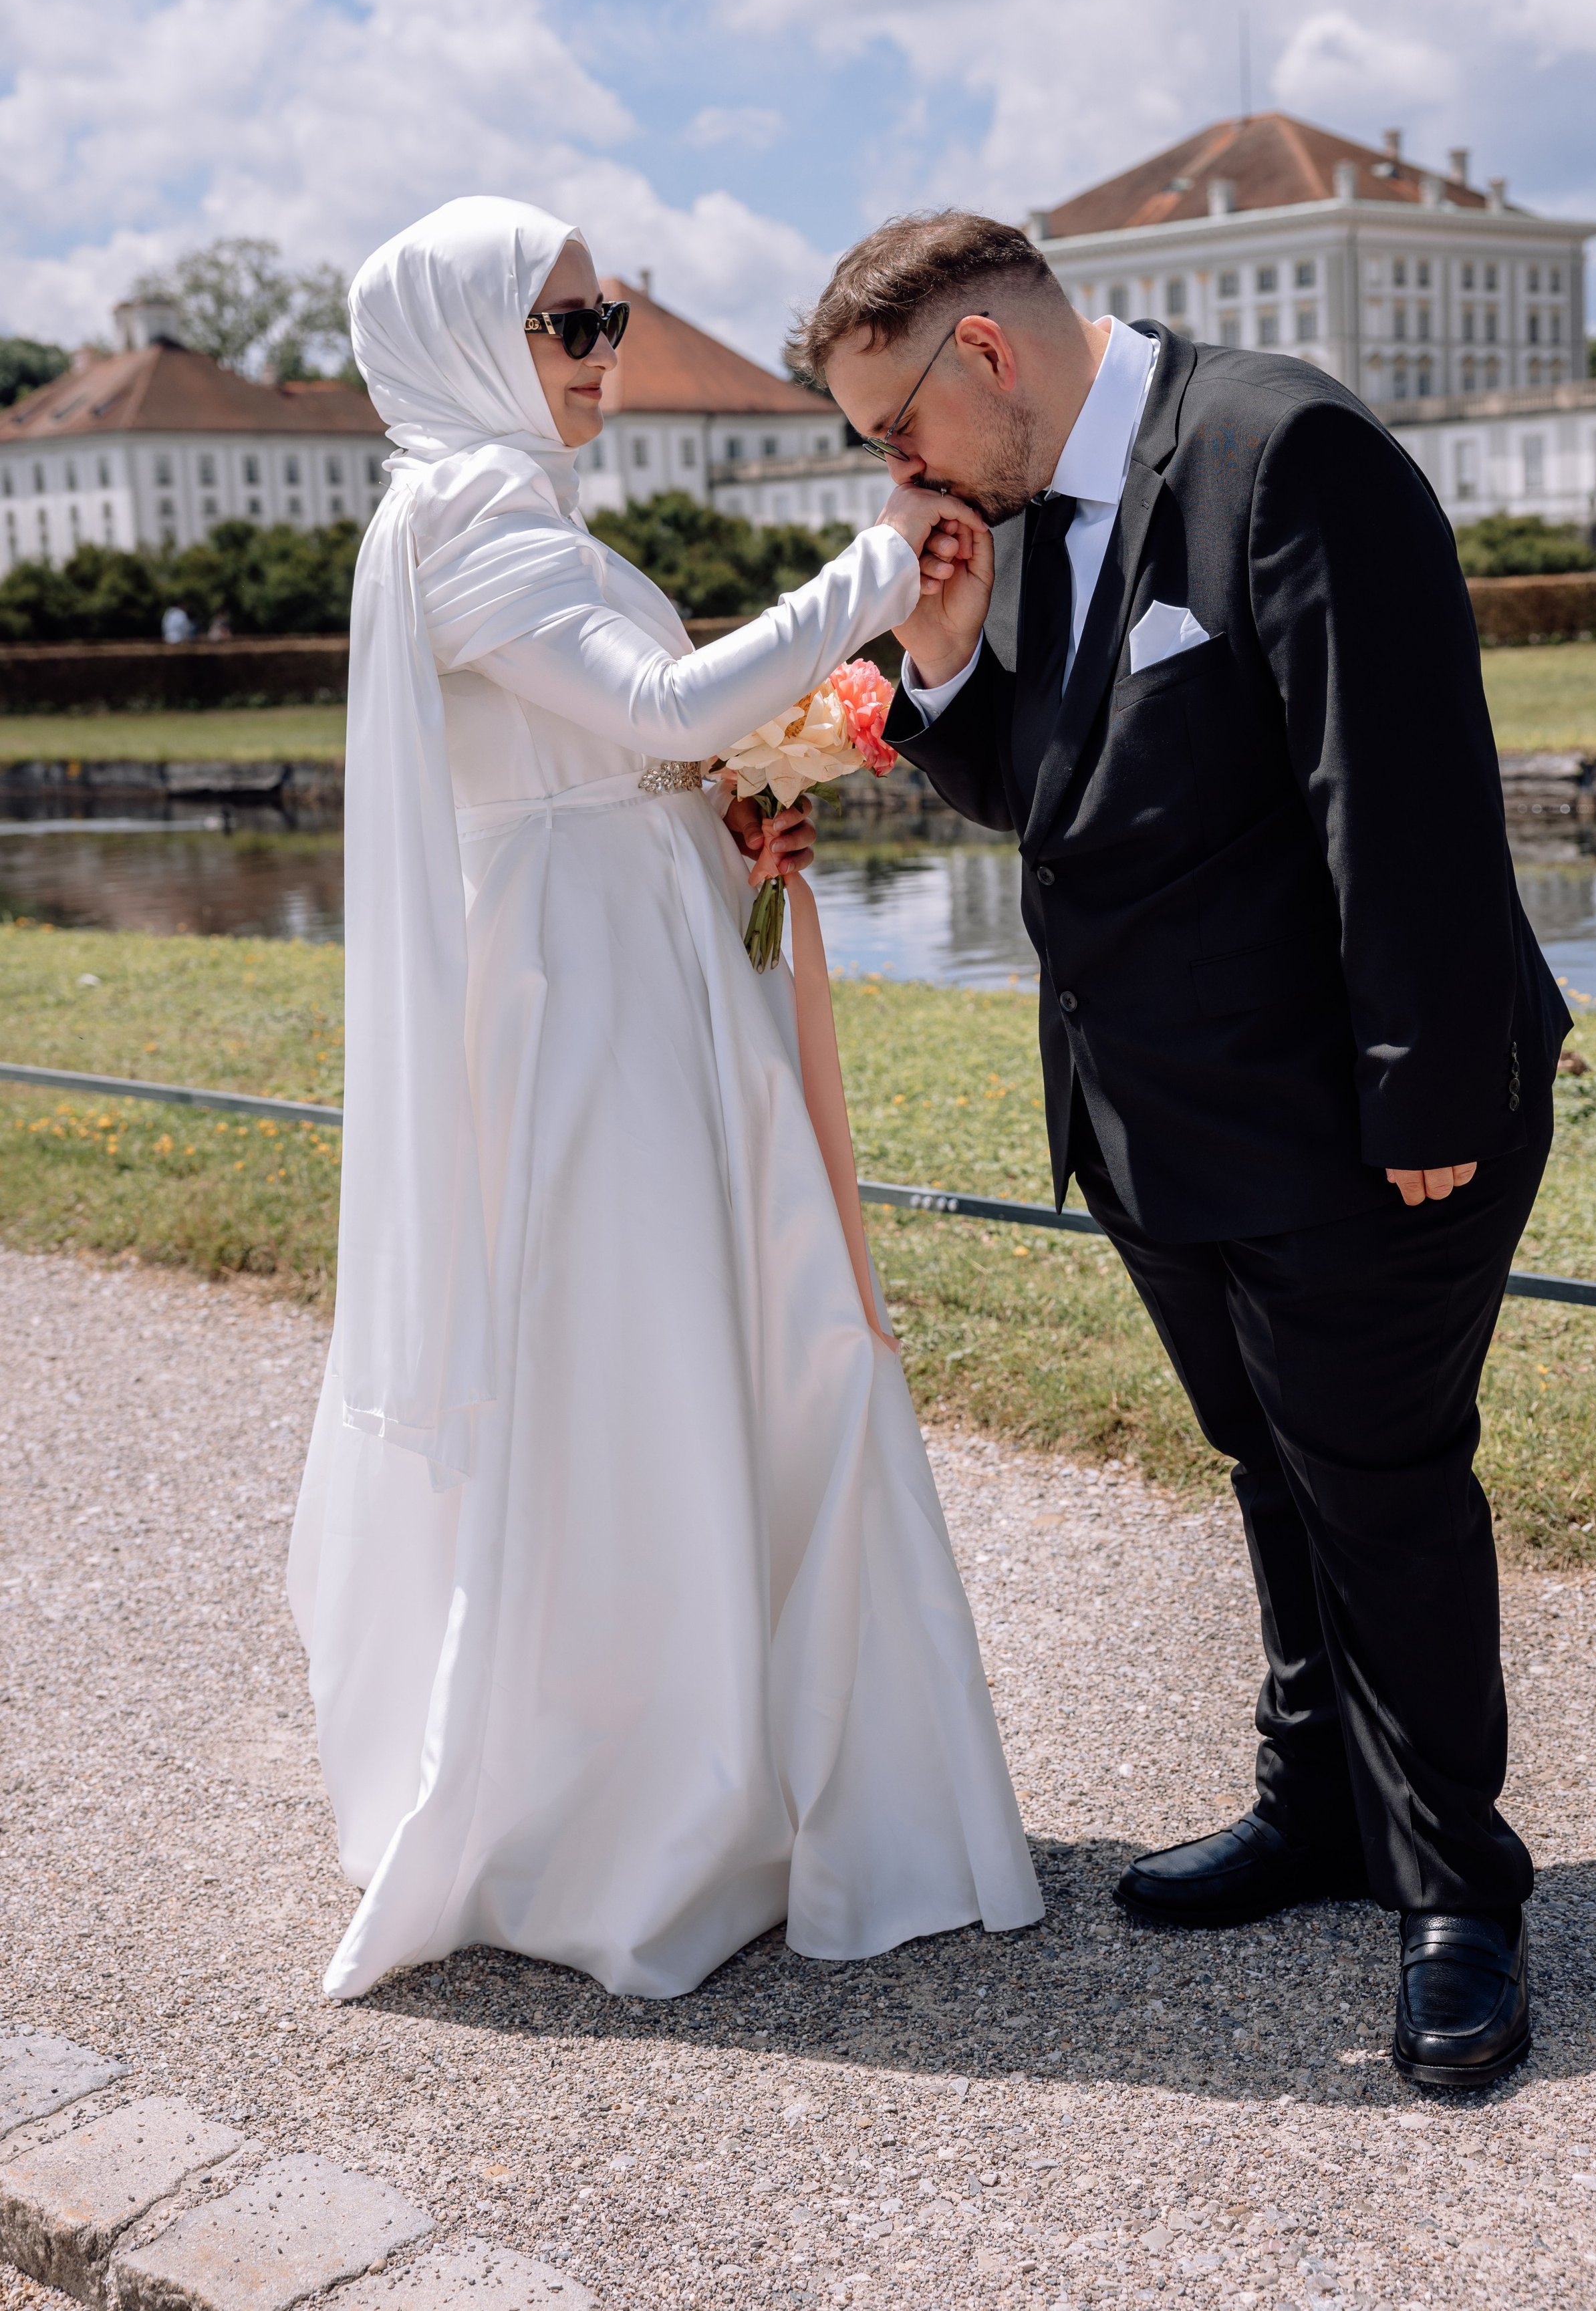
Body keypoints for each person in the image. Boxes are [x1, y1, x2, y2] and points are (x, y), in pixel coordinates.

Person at [791, 211, 1571, 2094]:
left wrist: (1429, 1100)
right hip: (1151, 1130)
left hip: (1350, 1125)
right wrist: (957, 659)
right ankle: (1314, 1807)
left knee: (1380, 1483)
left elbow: (1398, 792)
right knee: (1269, 1471)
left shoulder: (1283, 453)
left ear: (984, 354)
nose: (891, 476)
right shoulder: (1025, 523)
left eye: (891, 428)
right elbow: (1057, 815)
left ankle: (1458, 1890)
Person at [287, 196, 1043, 2002]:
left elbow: (638, 752)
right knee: (633, 1357)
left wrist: (730, 808)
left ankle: (732, 1773)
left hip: (638, 963)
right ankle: (635, 1803)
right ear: (470, 339)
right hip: (585, 1004)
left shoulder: (510, 511)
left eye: (609, 316)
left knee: (708, 1336)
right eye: (568, 325)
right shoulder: (467, 513)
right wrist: (878, 572)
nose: (606, 354)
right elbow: (648, 704)